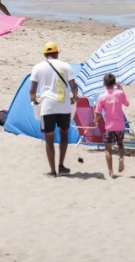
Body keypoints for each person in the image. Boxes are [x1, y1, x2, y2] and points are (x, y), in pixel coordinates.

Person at [30, 42, 78, 177]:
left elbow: (32, 90)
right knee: (64, 134)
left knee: (49, 138)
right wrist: (75, 98)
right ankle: (61, 165)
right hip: (64, 106)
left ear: (45, 55)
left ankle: (52, 171)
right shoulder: (66, 66)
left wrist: (34, 100)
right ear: (57, 54)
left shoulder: (38, 67)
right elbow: (74, 87)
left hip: (47, 106)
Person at [94, 74, 129, 178]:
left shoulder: (102, 96)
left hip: (109, 126)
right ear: (114, 83)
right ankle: (121, 157)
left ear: (104, 83)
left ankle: (111, 171)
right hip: (120, 125)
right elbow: (127, 104)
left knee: (108, 149)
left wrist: (95, 121)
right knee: (120, 144)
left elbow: (98, 113)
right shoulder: (120, 93)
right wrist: (121, 91)